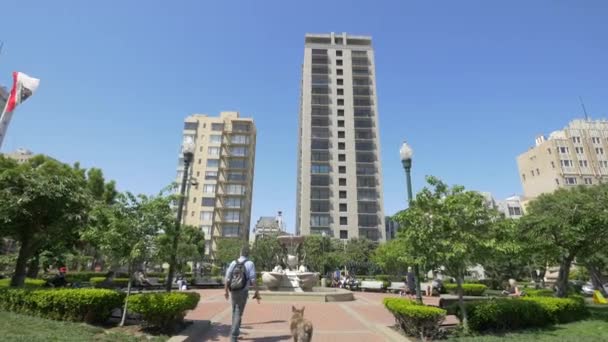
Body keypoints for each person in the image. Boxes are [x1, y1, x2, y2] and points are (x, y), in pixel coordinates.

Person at [225, 245, 260, 342]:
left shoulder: (233, 262)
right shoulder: (250, 263)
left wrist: (226, 291)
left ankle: (235, 332)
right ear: (248, 254)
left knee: (234, 312)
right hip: (243, 292)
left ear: (240, 253)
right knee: (238, 313)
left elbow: (227, 278)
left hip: (234, 290)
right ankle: (233, 337)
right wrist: (257, 292)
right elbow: (253, 280)